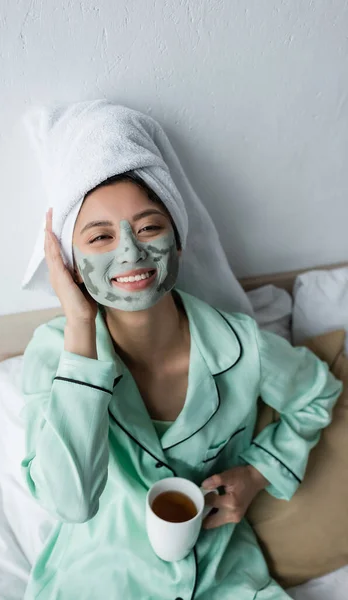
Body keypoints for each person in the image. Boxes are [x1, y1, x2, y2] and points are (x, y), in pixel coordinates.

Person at [20, 170, 342, 600]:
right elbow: (70, 503)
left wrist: (257, 472)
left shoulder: (244, 347)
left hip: (224, 580)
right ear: (72, 266)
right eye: (99, 238)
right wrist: (80, 324)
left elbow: (317, 394)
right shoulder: (54, 352)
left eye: (149, 227)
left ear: (178, 243)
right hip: (99, 579)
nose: (131, 251)